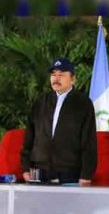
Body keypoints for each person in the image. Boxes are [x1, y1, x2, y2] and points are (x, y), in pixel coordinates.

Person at [21, 58, 97, 186]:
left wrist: (86, 175)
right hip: (39, 172)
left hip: (69, 173)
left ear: (73, 79)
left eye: (61, 75)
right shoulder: (41, 102)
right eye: (53, 75)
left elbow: (89, 142)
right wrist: (25, 168)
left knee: (68, 206)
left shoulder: (83, 103)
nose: (56, 79)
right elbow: (29, 137)